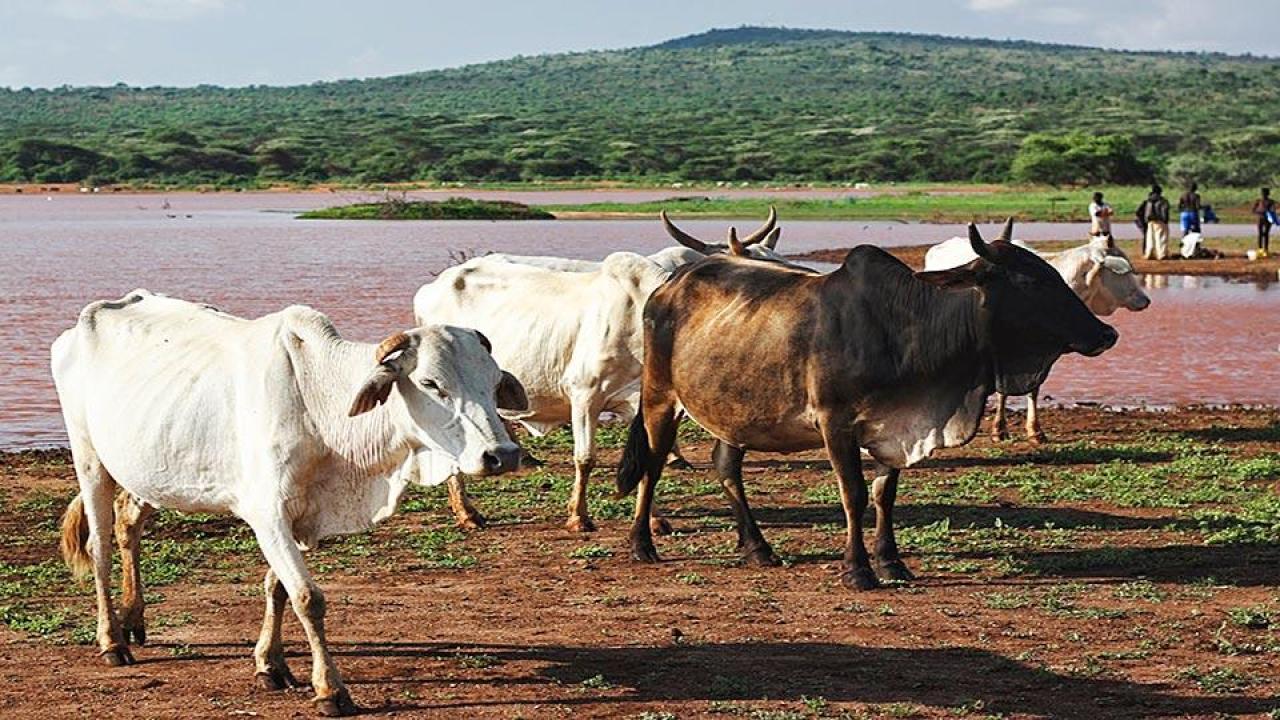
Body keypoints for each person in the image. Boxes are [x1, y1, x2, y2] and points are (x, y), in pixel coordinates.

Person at [1137, 185, 1171, 260]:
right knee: (1161, 238)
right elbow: (1164, 211)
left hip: (1150, 221)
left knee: (1150, 239)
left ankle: (1149, 254)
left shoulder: (1149, 200)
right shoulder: (1162, 200)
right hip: (1159, 221)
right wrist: (1165, 221)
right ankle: (1161, 254)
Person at [1252, 187, 1275, 258]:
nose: (1264, 195)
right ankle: (1260, 249)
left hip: (1268, 219)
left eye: (1265, 193)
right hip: (1260, 219)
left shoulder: (1271, 201)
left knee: (1266, 234)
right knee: (1260, 234)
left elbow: (1272, 210)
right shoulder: (1258, 201)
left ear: (1268, 194)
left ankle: (1266, 249)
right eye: (1263, 193)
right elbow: (1253, 210)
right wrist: (1261, 211)